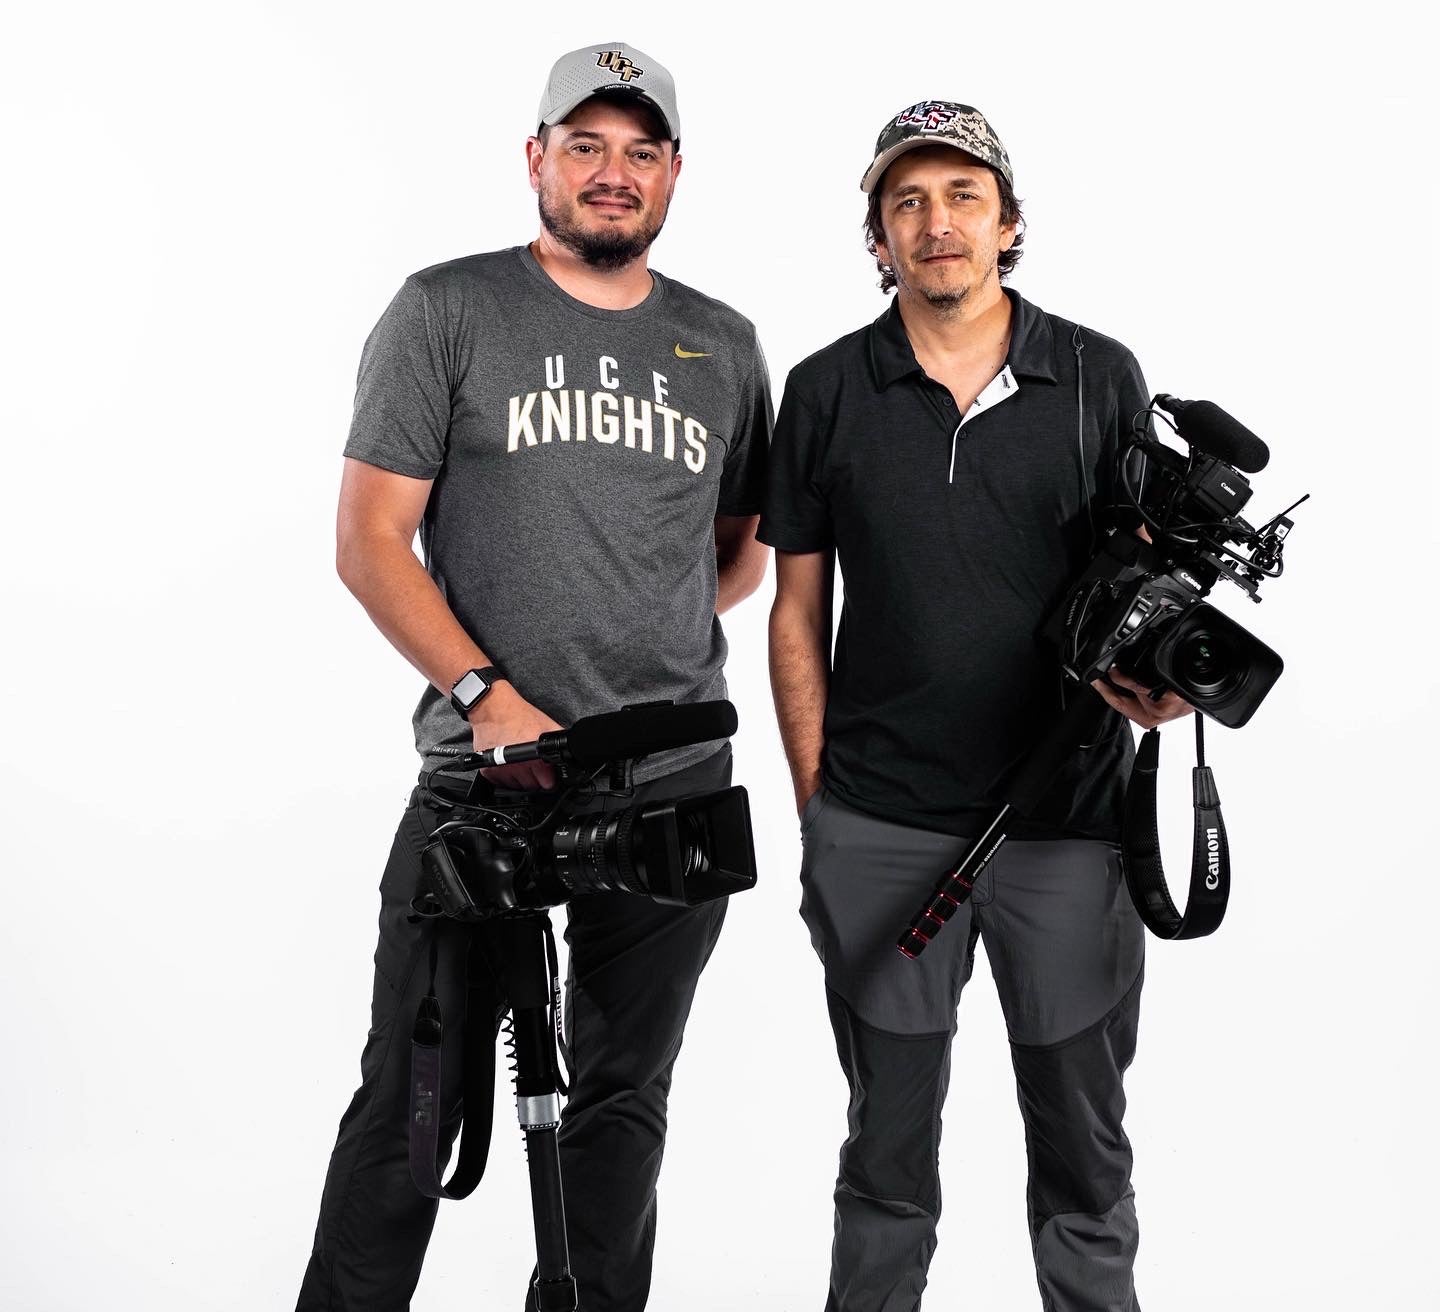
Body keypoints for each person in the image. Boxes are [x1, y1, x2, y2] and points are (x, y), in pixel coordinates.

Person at [297, 42, 771, 1312]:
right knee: (413, 1096)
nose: (614, 173)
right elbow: (369, 541)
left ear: (673, 172)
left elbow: (734, 552)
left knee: (623, 1103)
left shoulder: (724, 345)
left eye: (640, 151)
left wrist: (646, 626)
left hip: (671, 778)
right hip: (485, 778)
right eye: (586, 146)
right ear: (536, 158)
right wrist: (485, 694)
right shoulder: (446, 311)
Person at [761, 101, 1192, 1311]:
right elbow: (795, 612)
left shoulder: (1099, 375)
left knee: (1084, 1151)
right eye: (907, 201)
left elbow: (1141, 586)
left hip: (1069, 826)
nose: (936, 221)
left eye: (963, 196)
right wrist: (820, 810)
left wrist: (1157, 680)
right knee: (886, 1158)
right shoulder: (825, 389)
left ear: (1009, 224)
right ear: (878, 236)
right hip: (882, 826)